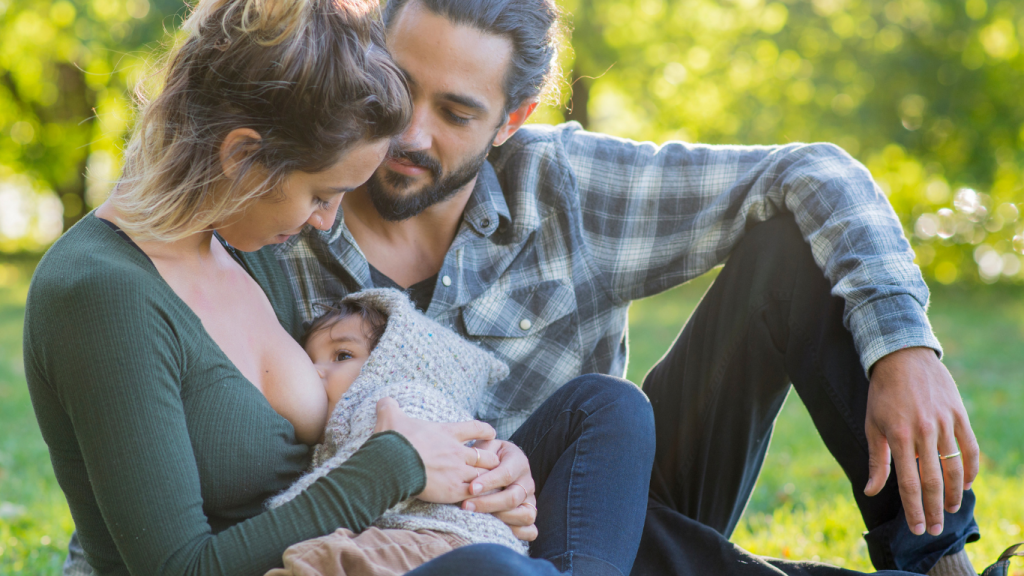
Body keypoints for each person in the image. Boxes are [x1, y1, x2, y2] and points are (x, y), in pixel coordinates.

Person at [274, 0, 984, 574]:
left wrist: (903, 349)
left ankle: (936, 564)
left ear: (510, 122)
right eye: (399, 87)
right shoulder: (284, 219)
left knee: (789, 245)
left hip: (608, 509)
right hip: (414, 548)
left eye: (456, 114)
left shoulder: (568, 187)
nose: (411, 134)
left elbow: (816, 172)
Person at [30, 1, 655, 575]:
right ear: (243, 157)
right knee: (489, 572)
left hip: (371, 542)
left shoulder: (232, 245)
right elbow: (179, 568)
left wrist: (484, 467)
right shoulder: (101, 294)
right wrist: (399, 467)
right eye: (322, 195)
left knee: (605, 408)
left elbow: (360, 419)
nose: (327, 223)